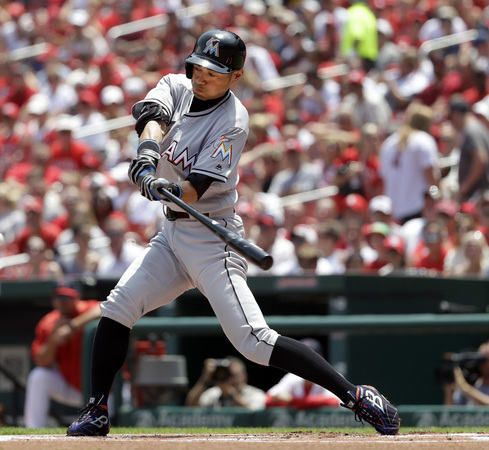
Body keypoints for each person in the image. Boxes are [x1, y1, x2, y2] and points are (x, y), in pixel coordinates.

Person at [66, 29, 400, 437]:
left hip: (213, 238)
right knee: (117, 308)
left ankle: (354, 395)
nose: (202, 76)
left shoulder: (234, 121)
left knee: (254, 342)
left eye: (214, 70)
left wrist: (166, 187)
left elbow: (197, 188)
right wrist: (149, 154)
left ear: (235, 76)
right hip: (171, 236)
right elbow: (152, 118)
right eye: (199, 67)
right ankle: (98, 409)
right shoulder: (177, 85)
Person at [24, 284, 101, 428]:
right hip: (70, 387)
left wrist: (72, 326)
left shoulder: (86, 309)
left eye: (67, 297)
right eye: (58, 297)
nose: (62, 302)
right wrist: (54, 338)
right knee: (38, 376)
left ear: (78, 297)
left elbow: (106, 308)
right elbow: (41, 361)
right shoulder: (49, 322)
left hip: (102, 391)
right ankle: (33, 429)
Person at [266, 338, 340, 409]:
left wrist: (293, 401)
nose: (306, 364)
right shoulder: (292, 377)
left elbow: (334, 402)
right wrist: (275, 399)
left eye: (310, 359)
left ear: (321, 360)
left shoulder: (332, 376)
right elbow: (267, 399)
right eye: (301, 360)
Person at [185, 355, 266, 411]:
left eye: (233, 375)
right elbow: (191, 407)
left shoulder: (256, 394)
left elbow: (255, 415)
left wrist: (230, 394)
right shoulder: (215, 393)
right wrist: (205, 380)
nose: (230, 380)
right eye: (227, 375)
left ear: (244, 376)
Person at [444, 340, 489, 407]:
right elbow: (450, 412)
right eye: (483, 359)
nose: (486, 363)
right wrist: (449, 392)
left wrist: (466, 388)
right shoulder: (469, 384)